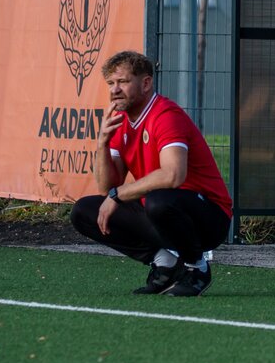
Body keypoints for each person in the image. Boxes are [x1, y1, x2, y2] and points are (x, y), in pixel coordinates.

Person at [70, 51, 233, 296]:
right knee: (84, 211)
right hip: (162, 213)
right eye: (111, 83)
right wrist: (102, 143)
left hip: (209, 217)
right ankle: (165, 264)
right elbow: (106, 187)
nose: (115, 90)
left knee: (158, 200)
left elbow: (173, 175)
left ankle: (197, 268)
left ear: (146, 83)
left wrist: (117, 195)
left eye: (123, 82)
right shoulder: (120, 121)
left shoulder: (165, 115)